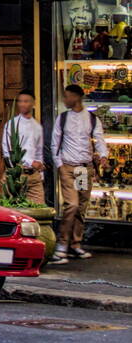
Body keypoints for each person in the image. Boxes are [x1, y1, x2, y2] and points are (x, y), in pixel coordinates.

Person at [50, 84, 108, 264]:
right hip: (67, 168)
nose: (65, 99)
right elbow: (54, 143)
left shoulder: (91, 119)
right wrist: (59, 165)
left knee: (81, 207)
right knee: (72, 205)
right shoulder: (62, 118)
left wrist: (104, 155)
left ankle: (75, 244)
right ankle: (62, 245)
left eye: (67, 96)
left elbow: (99, 139)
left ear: (76, 97)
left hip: (84, 169)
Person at [1, 90, 45, 205]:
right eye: (20, 101)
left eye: (26, 101)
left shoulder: (37, 126)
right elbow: (8, 152)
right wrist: (31, 162)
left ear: (33, 103)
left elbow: (39, 151)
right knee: (12, 210)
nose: (22, 104)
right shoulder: (11, 124)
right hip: (16, 176)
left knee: (39, 208)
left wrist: (40, 170)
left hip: (34, 176)